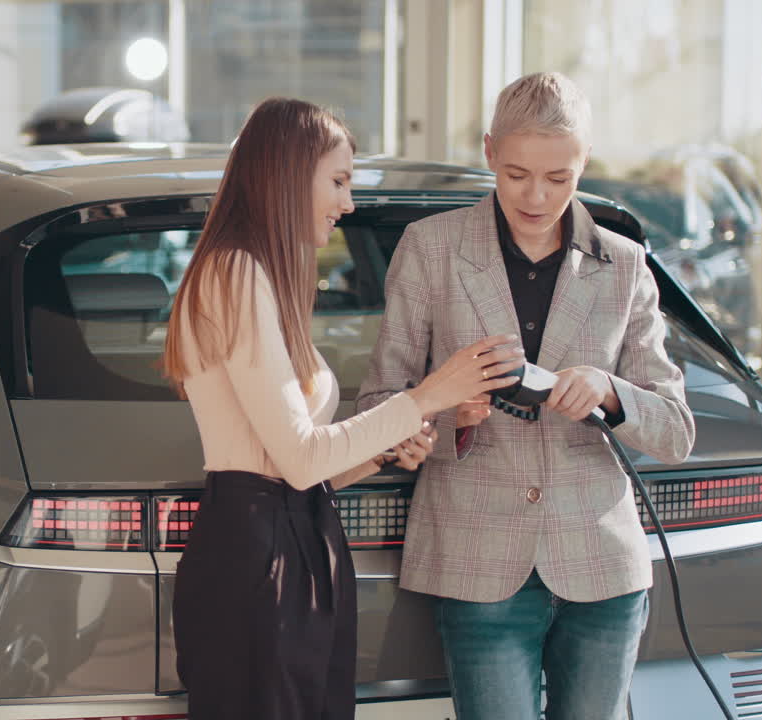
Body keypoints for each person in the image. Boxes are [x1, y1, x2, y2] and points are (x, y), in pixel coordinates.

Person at [161, 97, 524, 720]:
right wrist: (431, 393)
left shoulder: (255, 276)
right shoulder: (236, 274)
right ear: (285, 172)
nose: (347, 203)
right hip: (262, 563)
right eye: (337, 180)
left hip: (286, 545)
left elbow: (294, 469)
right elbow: (298, 461)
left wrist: (392, 443)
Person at [356, 73, 696, 720]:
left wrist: (610, 391)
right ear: (489, 153)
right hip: (477, 565)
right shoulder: (431, 251)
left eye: (558, 178)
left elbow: (676, 432)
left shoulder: (624, 265)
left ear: (582, 164)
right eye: (516, 175)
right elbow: (380, 404)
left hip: (603, 572)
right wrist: (455, 412)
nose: (537, 196)